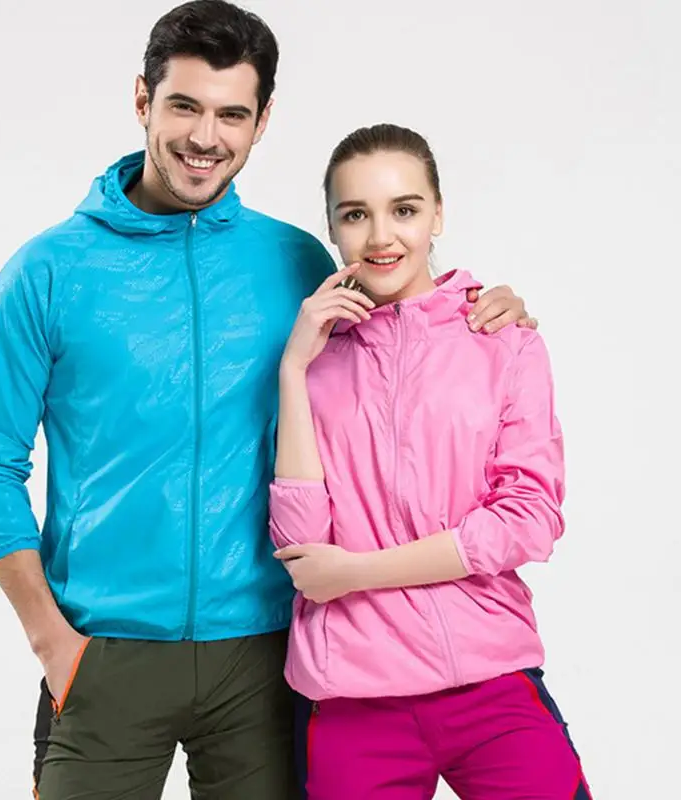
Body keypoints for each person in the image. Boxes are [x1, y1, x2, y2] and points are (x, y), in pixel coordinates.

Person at [0, 3, 536, 799]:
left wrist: (488, 307)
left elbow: (403, 332)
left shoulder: (297, 262)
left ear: (262, 121)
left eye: (232, 114)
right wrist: (51, 641)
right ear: (142, 100)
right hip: (102, 653)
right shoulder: (47, 273)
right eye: (184, 106)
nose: (206, 137)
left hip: (265, 659)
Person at [270, 122, 592, 799]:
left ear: (438, 214)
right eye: (355, 215)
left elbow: (528, 521)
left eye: (405, 209)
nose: (381, 235)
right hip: (351, 693)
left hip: (491, 678)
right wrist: (294, 371)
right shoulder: (314, 357)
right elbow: (302, 547)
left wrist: (357, 572)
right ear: (332, 228)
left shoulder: (503, 342)